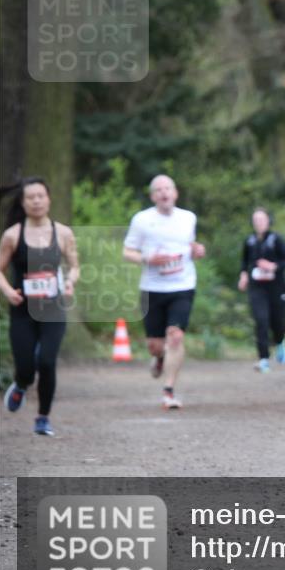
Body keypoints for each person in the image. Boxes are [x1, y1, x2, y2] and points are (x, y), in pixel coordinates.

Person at [0, 177, 80, 436]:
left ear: (48, 199)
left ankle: (43, 418)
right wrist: (8, 291)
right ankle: (21, 384)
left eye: (40, 196)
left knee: (46, 361)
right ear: (23, 203)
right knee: (26, 367)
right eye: (30, 197)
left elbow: (74, 267)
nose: (36, 201)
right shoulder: (13, 235)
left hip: (53, 309)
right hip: (22, 311)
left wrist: (70, 282)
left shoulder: (63, 233)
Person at [122, 174, 205, 409]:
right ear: (153, 196)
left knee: (175, 335)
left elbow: (190, 246)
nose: (164, 192)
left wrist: (197, 251)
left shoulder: (188, 218)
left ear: (175, 193)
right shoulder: (142, 220)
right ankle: (159, 357)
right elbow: (127, 252)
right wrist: (148, 258)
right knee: (155, 345)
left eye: (167, 188)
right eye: (158, 190)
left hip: (182, 285)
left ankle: (168, 391)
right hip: (152, 288)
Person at [238, 208, 285, 372]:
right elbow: (244, 262)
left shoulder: (276, 239)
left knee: (277, 322)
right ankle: (263, 359)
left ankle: (280, 342)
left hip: (276, 287)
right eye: (256, 220)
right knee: (261, 320)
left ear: (268, 221)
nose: (259, 223)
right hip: (257, 287)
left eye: (262, 220)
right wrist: (243, 276)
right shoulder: (249, 241)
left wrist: (273, 266)